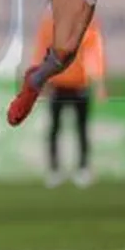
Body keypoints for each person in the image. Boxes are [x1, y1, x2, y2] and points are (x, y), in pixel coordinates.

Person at [31, 10, 107, 188]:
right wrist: (42, 81)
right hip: (57, 85)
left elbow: (95, 54)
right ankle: (54, 169)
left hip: (80, 84)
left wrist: (99, 83)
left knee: (82, 128)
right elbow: (42, 53)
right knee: (55, 128)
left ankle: (83, 168)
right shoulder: (49, 25)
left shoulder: (88, 24)